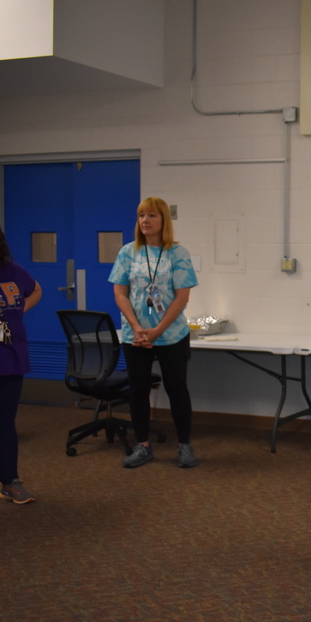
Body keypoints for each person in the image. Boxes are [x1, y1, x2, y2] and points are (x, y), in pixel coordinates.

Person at [109, 197, 199, 469]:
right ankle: (142, 446)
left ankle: (184, 445)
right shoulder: (128, 252)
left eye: (151, 216)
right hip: (135, 335)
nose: (145, 221)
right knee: (138, 390)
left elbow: (182, 297)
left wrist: (157, 330)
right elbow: (119, 293)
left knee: (176, 389)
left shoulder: (178, 253)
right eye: (141, 216)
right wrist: (137, 328)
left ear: (163, 221)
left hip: (170, 334)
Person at [0, 214, 42, 504]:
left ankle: (10, 483)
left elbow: (36, 290)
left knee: (3, 424)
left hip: (8, 360)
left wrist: (17, 312)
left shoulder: (11, 271)